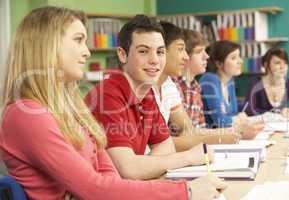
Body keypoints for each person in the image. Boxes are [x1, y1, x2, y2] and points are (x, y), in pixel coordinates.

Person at [0, 7, 226, 200]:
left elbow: (108, 177)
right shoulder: (27, 115)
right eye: (78, 40)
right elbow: (95, 187)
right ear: (46, 45)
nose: (87, 52)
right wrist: (185, 191)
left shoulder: (73, 109)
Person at [84, 14, 224, 186]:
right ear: (122, 55)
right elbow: (128, 169)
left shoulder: (146, 92)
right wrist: (188, 157)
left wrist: (143, 166)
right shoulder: (107, 95)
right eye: (143, 51)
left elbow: (166, 148)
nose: (155, 60)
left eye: (160, 52)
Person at [154, 23, 240, 152]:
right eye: (199, 52)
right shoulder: (206, 80)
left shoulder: (183, 85)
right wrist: (221, 136)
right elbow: (161, 143)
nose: (206, 56)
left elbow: (190, 131)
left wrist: (228, 132)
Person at [199, 40, 264, 139]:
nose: (240, 61)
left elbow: (233, 113)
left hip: (226, 138)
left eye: (239, 56)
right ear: (219, 63)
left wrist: (237, 118)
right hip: (211, 140)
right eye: (234, 58)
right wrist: (237, 119)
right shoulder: (209, 79)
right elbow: (220, 121)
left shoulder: (230, 82)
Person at [245, 47, 289, 116]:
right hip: (259, 125)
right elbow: (249, 110)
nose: (283, 67)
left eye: (285, 63)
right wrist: (277, 113)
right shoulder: (255, 83)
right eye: (278, 63)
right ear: (266, 65)